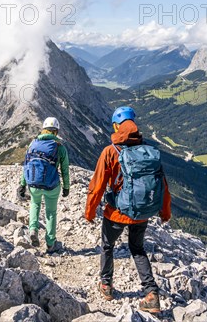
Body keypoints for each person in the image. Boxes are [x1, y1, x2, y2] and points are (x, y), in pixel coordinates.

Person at [84, 106, 171, 313]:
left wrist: (89, 212)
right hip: (142, 213)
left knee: (107, 246)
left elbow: (96, 186)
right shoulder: (148, 152)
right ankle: (151, 293)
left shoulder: (110, 152)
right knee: (138, 249)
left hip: (115, 213)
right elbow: (162, 186)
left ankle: (106, 285)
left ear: (116, 126)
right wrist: (164, 213)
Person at [18, 117, 70, 254]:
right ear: (56, 131)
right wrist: (66, 187)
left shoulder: (33, 144)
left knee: (35, 204)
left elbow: (26, 165)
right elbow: (65, 170)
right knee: (51, 212)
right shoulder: (60, 148)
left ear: (43, 129)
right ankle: (50, 243)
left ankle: (33, 229)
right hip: (52, 185)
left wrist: (22, 185)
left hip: (33, 184)